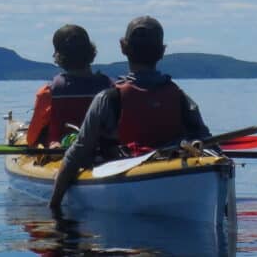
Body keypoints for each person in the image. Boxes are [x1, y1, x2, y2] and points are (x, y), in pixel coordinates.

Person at [48, 15, 213, 211]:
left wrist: (54, 206)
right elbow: (208, 143)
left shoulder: (107, 99)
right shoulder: (180, 97)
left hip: (125, 176)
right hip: (171, 169)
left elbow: (77, 154)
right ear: (162, 51)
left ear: (123, 47)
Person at [25, 24, 112, 147]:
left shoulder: (48, 92)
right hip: (102, 151)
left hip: (59, 152)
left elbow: (31, 139)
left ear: (58, 56)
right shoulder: (110, 87)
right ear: (91, 52)